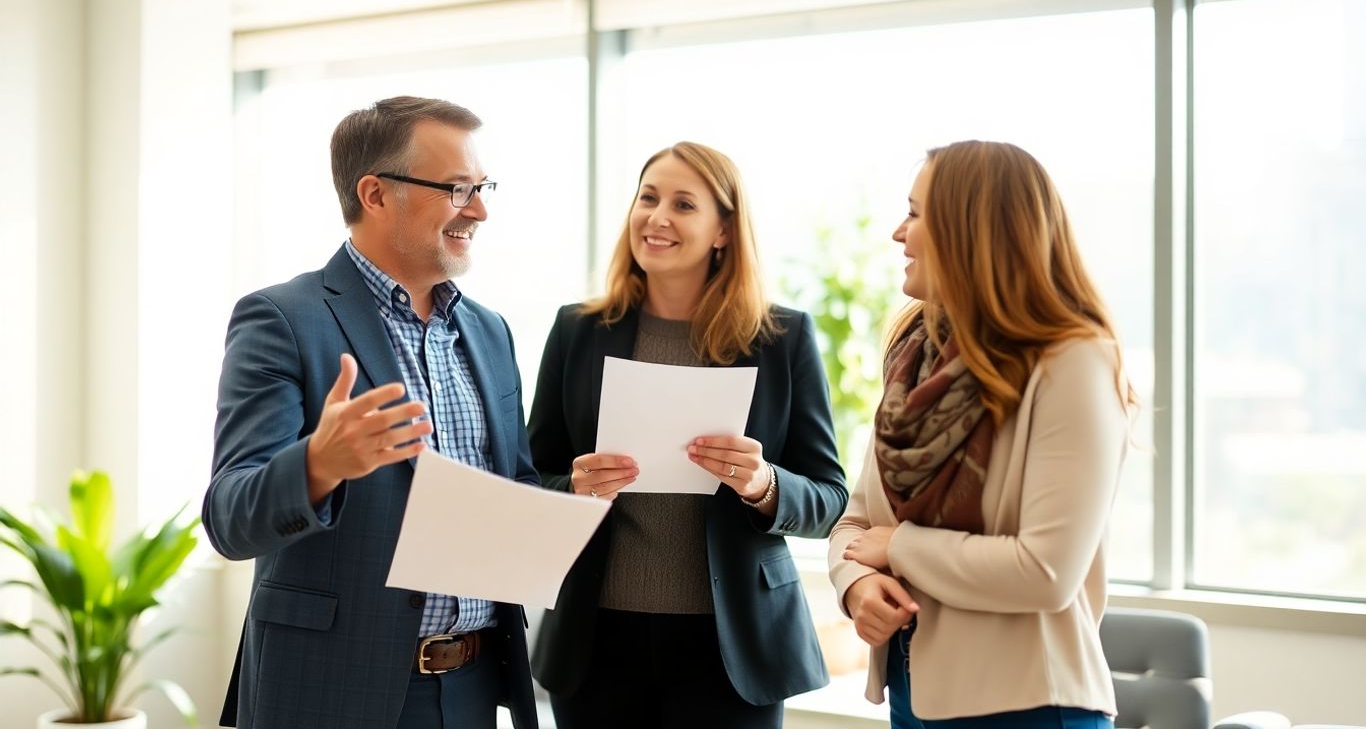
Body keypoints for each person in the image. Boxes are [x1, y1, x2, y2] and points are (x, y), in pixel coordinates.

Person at [204, 96, 539, 729]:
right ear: (376, 194)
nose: (481, 209)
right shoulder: (281, 318)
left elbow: (510, 489)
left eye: (483, 186)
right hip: (329, 691)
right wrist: (318, 464)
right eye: (458, 188)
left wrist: (567, 498)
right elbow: (229, 517)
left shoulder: (490, 332)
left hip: (472, 687)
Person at [528, 141, 848, 728]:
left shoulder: (782, 338)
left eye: (683, 204)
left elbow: (830, 498)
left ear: (723, 230)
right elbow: (530, 476)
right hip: (597, 639)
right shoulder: (576, 331)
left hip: (733, 645)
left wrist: (764, 484)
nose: (657, 217)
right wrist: (570, 489)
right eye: (648, 198)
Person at [828, 140, 1137, 729]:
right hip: (912, 694)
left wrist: (898, 549)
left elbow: (1046, 572)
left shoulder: (1072, 362)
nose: (899, 232)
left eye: (916, 214)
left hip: (1030, 706)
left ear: (971, 231)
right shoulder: (914, 358)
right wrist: (859, 586)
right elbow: (856, 523)